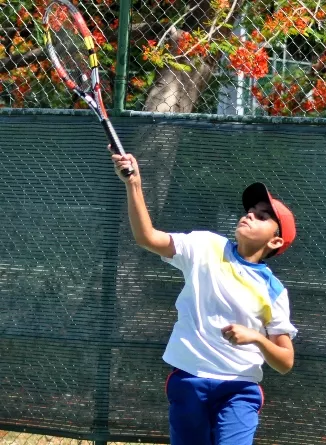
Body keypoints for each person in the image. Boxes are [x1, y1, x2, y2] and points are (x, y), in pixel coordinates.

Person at [111, 150, 298, 445]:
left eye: (262, 216)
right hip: (189, 381)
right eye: (251, 209)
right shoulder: (205, 245)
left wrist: (257, 338)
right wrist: (133, 184)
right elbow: (146, 237)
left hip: (239, 388)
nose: (250, 214)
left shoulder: (274, 290)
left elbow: (285, 362)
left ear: (275, 241)